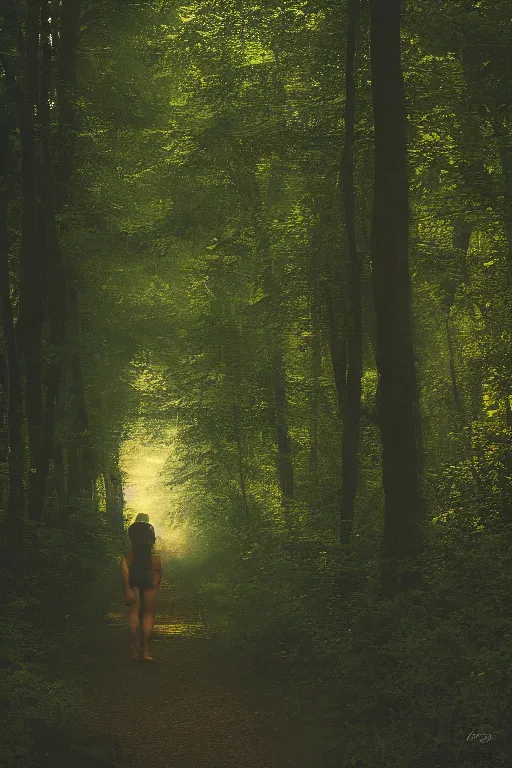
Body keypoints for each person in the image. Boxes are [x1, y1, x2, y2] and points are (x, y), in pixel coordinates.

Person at [120, 513, 162, 661]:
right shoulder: (150, 530)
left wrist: (127, 589)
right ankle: (145, 653)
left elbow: (124, 565)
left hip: (134, 571)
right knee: (148, 614)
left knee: (134, 611)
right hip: (149, 570)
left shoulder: (132, 530)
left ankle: (133, 650)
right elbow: (158, 570)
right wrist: (156, 584)